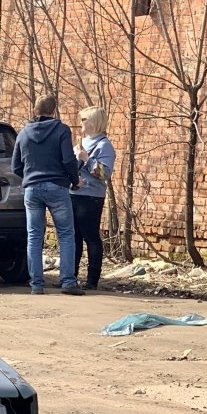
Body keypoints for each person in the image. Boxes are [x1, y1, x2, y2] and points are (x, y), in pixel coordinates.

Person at [11, 93, 81, 295]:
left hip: (32, 189)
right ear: (54, 111)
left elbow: (16, 165)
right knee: (66, 235)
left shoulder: (23, 133)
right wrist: (74, 180)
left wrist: (29, 176)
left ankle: (37, 284)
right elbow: (68, 160)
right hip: (57, 188)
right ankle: (68, 282)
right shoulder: (61, 130)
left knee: (34, 236)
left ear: (35, 110)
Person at [72, 106, 116, 291]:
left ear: (93, 122)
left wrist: (86, 159)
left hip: (91, 196)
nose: (80, 123)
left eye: (84, 120)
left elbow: (104, 173)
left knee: (90, 237)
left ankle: (92, 279)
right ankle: (69, 276)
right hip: (73, 193)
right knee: (73, 237)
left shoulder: (104, 145)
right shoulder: (81, 142)